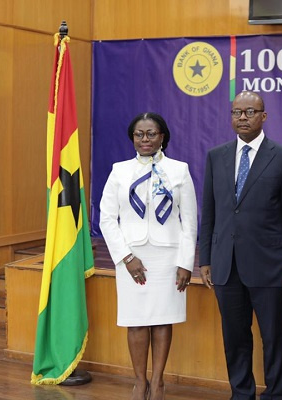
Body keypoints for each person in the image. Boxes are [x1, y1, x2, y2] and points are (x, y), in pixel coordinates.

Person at [199, 91, 282, 400]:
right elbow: (210, 212)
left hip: (269, 265)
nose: (242, 117)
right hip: (226, 264)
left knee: (273, 338)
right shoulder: (216, 156)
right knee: (234, 337)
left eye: (250, 112)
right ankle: (242, 393)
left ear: (264, 116)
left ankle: (276, 394)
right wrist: (205, 257)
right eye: (237, 112)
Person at [99, 112, 197, 400]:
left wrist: (185, 262)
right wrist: (126, 257)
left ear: (162, 136)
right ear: (132, 138)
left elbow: (190, 222)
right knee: (136, 320)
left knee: (162, 319)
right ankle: (139, 382)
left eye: (151, 133)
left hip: (168, 258)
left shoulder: (179, 170)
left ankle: (158, 382)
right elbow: (107, 218)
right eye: (139, 134)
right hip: (132, 258)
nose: (145, 139)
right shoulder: (119, 171)